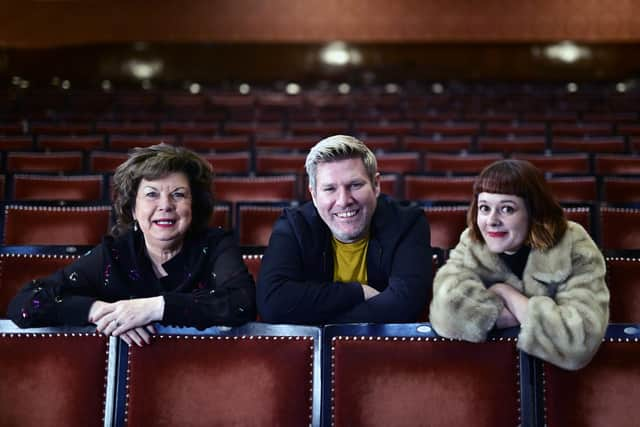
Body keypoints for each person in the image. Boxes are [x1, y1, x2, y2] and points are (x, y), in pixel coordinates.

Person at [7, 144, 256, 346]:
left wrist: (152, 308)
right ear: (133, 209)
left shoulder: (215, 246)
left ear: (194, 206)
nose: (165, 205)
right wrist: (100, 311)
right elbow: (26, 304)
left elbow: (241, 302)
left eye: (178, 194)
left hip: (207, 374)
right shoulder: (114, 255)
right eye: (151, 194)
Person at [429, 159, 609, 370]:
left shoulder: (572, 242)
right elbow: (445, 312)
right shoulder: (471, 241)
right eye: (484, 208)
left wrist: (507, 294)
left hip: (559, 381)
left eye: (506, 209)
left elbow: (579, 340)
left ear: (534, 212)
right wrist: (522, 316)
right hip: (492, 373)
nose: (492, 220)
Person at [257, 135, 432, 324]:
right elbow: (273, 305)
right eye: (330, 189)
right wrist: (358, 291)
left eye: (355, 185)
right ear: (314, 195)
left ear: (376, 185)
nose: (344, 201)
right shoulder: (294, 225)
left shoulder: (407, 223)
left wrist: (321, 320)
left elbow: (406, 306)